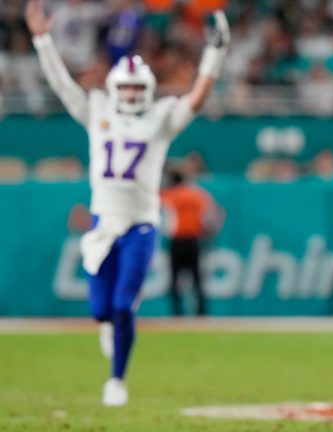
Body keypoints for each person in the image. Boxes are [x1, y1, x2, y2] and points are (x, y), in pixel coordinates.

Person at [25, 0, 229, 406]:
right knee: (101, 310)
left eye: (139, 87)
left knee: (122, 306)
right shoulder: (97, 108)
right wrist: (42, 40)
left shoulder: (161, 117)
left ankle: (116, 379)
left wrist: (215, 53)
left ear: (148, 90)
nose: (134, 93)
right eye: (128, 87)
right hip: (103, 225)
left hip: (140, 225)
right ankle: (109, 329)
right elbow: (63, 87)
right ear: (116, 89)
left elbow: (196, 97)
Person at [160, 168, 223, 316]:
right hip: (194, 241)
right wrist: (209, 232)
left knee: (175, 279)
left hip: (177, 242)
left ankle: (177, 313)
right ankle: (201, 312)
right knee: (197, 280)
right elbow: (215, 215)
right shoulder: (198, 195)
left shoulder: (170, 195)